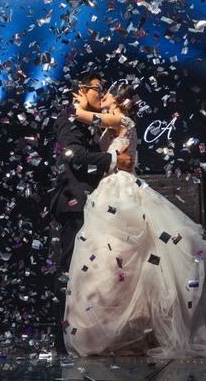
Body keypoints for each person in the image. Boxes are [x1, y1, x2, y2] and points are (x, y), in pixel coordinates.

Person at [62, 81, 206, 359]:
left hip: (122, 189)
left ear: (118, 100)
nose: (101, 96)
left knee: (127, 253)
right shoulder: (108, 125)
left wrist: (80, 102)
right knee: (110, 257)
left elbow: (81, 114)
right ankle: (116, 329)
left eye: (106, 94)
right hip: (108, 188)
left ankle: (133, 328)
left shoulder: (123, 120)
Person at [49, 72, 134, 355]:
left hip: (91, 201)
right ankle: (65, 339)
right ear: (80, 90)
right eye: (97, 89)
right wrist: (111, 159)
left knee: (88, 269)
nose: (101, 94)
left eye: (103, 90)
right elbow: (73, 154)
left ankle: (87, 332)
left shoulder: (86, 120)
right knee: (71, 268)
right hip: (73, 201)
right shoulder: (71, 118)